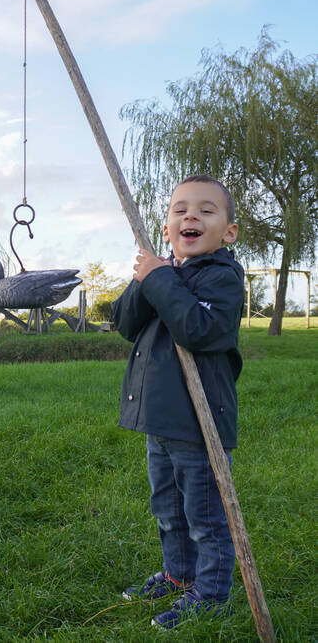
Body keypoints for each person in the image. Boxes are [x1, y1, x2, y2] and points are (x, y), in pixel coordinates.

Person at [111, 175, 245, 631]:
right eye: (180, 210)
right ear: (167, 227)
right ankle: (178, 574)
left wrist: (161, 278)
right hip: (161, 418)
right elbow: (125, 323)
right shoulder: (164, 273)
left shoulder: (223, 278)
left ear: (228, 231)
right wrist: (146, 279)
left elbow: (198, 330)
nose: (191, 216)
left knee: (205, 515)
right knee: (167, 508)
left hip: (200, 422)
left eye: (206, 211)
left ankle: (211, 594)